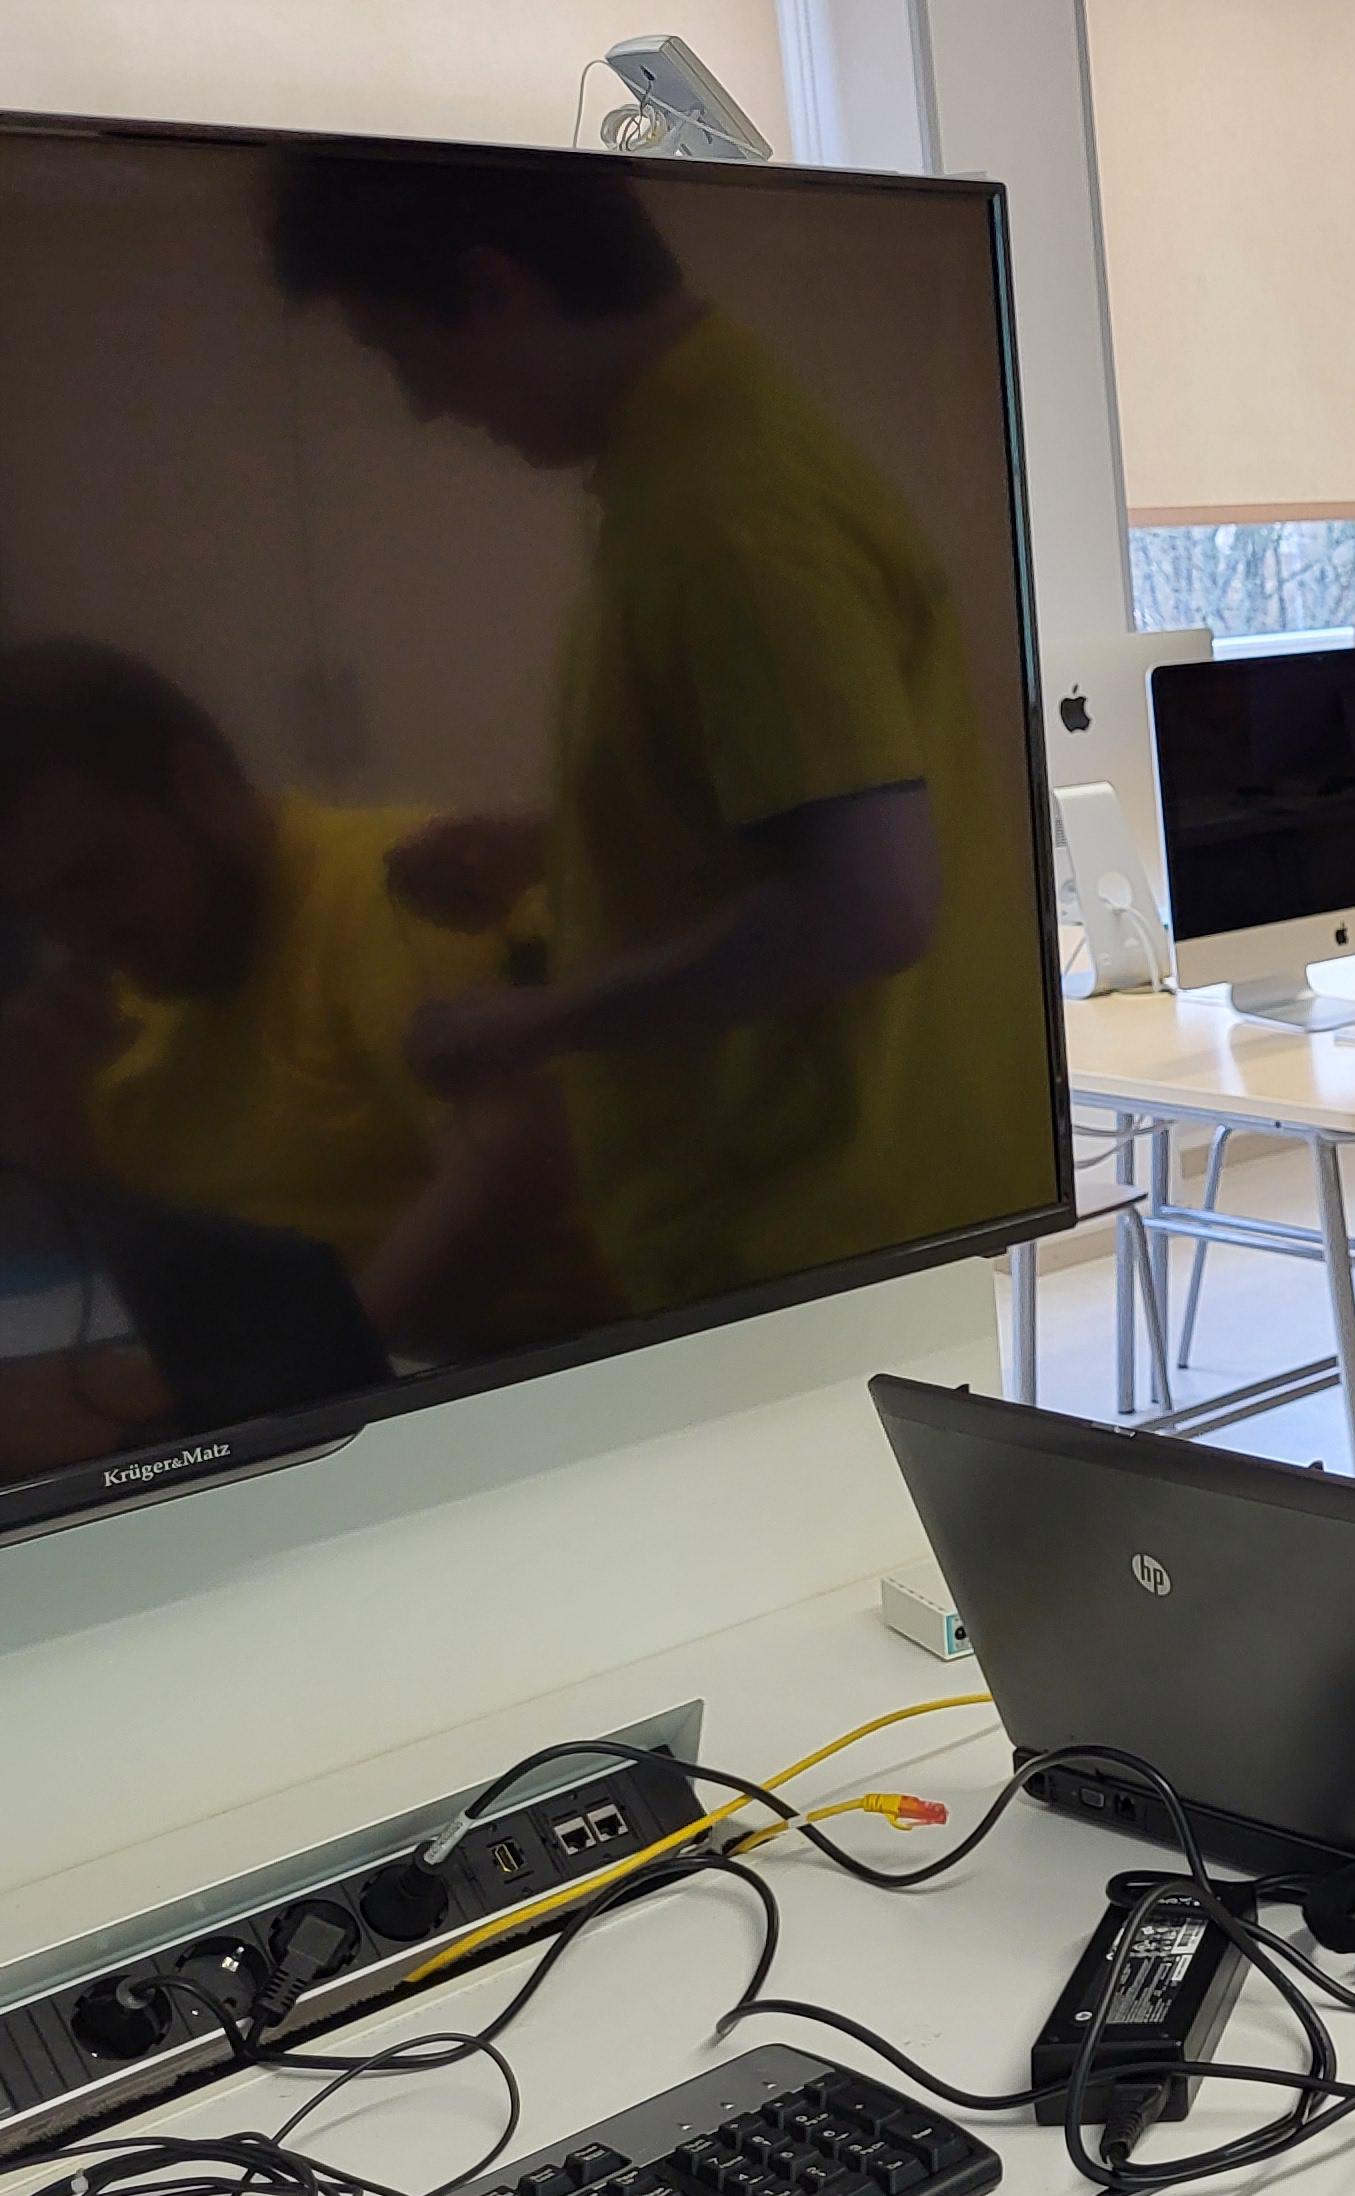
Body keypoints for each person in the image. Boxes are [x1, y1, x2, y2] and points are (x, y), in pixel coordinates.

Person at [263, 153, 1045, 1313]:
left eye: (398, 352)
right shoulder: (696, 465)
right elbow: (800, 804)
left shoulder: (730, 520)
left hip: (813, 1224)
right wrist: (555, 845)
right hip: (808, 1213)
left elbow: (869, 905)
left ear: (492, 289)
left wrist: (532, 1025)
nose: (422, 404)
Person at [0, 639, 593, 1360]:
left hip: (528, 1372)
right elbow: (98, 1262)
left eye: (96, 876)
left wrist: (317, 1381)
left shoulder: (398, 888)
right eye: (40, 911)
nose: (80, 937)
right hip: (295, 1373)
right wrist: (39, 1125)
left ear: (199, 787)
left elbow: (521, 1157)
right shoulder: (123, 993)